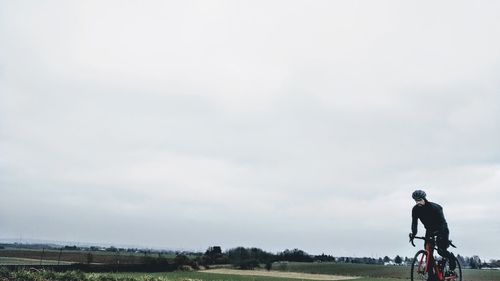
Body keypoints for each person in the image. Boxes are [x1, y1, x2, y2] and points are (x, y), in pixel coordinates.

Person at [409, 190, 456, 274]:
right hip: (430, 230)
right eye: (416, 200)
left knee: (441, 250)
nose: (417, 202)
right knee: (428, 252)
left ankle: (451, 258)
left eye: (419, 200)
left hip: (442, 229)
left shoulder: (435, 208)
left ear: (424, 199)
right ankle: (431, 276)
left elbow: (442, 222)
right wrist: (413, 233)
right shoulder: (415, 210)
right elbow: (414, 222)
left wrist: (440, 236)